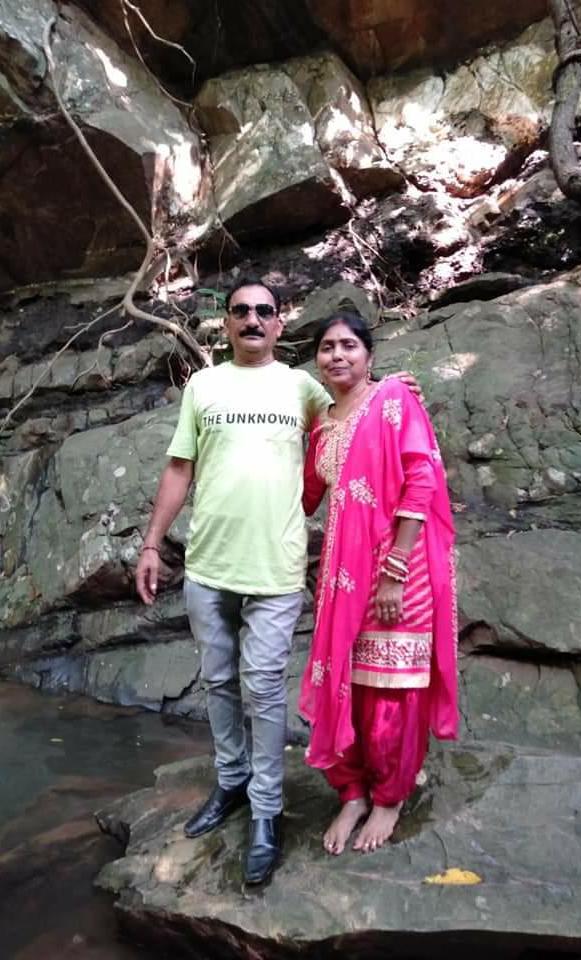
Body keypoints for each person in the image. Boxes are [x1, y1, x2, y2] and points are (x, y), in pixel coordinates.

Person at [135, 280, 421, 884]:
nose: (253, 319)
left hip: (277, 568)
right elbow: (179, 468)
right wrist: (152, 542)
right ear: (226, 323)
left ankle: (266, 810)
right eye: (241, 311)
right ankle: (231, 780)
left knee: (264, 689)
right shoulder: (204, 386)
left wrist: (392, 390)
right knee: (218, 682)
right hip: (209, 565)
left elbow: (356, 409)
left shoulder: (301, 387)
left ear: (279, 324)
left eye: (264, 311)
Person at [300, 311, 458, 856]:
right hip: (342, 580)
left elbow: (422, 477)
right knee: (347, 679)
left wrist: (394, 570)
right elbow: (304, 497)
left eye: (349, 345)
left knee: (393, 685)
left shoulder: (393, 398)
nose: (337, 355)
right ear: (317, 360)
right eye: (327, 347)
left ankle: (389, 797)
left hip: (398, 567)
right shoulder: (320, 424)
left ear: (369, 355)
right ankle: (353, 792)